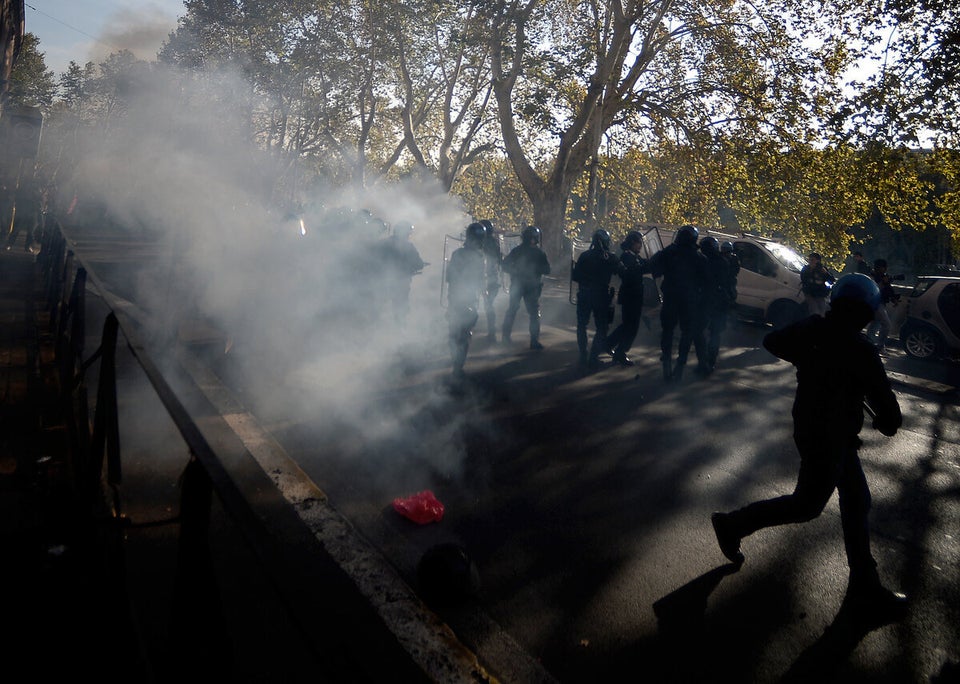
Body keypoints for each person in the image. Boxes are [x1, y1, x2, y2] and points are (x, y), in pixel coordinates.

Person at [711, 273, 907, 621]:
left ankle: (865, 584)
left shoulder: (813, 330)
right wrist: (881, 419)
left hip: (815, 429)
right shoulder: (861, 351)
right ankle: (733, 524)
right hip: (831, 438)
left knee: (857, 500)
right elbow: (890, 418)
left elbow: (773, 341)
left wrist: (808, 355)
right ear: (864, 313)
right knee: (807, 505)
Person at [648, 225, 708, 381]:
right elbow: (706, 282)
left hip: (670, 299)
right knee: (686, 333)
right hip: (689, 302)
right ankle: (679, 366)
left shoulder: (669, 253)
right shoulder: (699, 258)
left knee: (667, 331)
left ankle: (666, 363)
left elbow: (654, 268)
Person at [572, 229, 623, 369]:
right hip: (600, 296)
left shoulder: (584, 256)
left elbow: (575, 276)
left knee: (582, 325)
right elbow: (622, 272)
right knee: (602, 327)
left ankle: (583, 355)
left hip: (584, 294)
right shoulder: (610, 257)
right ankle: (593, 357)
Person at [446, 222, 487, 379]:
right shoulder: (478, 257)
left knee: (454, 332)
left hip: (454, 298)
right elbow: (480, 281)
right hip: (469, 300)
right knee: (464, 334)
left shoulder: (457, 254)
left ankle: (455, 362)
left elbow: (449, 277)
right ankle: (458, 366)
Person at [501, 225, 551, 349]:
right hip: (531, 287)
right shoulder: (539, 252)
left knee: (512, 311)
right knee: (533, 314)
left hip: (520, 285)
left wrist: (516, 271)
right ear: (534, 238)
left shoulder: (517, 250)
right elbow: (547, 270)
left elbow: (504, 265)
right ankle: (534, 342)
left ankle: (505, 338)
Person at [606, 231, 649, 366]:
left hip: (634, 296)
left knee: (628, 326)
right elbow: (631, 273)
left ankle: (609, 344)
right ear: (632, 243)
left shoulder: (634, 256)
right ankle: (620, 352)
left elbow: (645, 265)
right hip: (630, 296)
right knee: (631, 327)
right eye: (639, 243)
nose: (640, 246)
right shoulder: (626, 256)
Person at [697, 236, 734, 374]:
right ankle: (709, 362)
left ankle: (705, 362)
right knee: (714, 334)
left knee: (704, 333)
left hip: (710, 303)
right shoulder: (722, 262)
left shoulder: (704, 261)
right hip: (717, 303)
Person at [380, 220, 425, 324]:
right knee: (400, 308)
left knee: (381, 306)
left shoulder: (383, 243)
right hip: (401, 282)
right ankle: (398, 328)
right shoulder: (408, 247)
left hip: (381, 281)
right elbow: (419, 264)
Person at [867, 258, 901, 352]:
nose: (884, 270)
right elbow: (874, 289)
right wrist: (884, 282)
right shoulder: (872, 277)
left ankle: (869, 343)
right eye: (883, 268)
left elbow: (888, 289)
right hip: (876, 304)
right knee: (886, 325)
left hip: (880, 303)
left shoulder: (883, 276)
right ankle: (880, 346)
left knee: (874, 325)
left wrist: (893, 298)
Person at [480, 219, 502, 341]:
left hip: (486, 278)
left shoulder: (482, 243)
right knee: (489, 304)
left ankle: (492, 331)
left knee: (487, 305)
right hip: (491, 278)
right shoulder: (494, 243)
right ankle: (491, 330)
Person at [800, 252, 834, 317]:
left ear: (818, 261)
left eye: (812, 260)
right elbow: (803, 279)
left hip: (820, 294)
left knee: (822, 311)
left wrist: (825, 273)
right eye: (809, 260)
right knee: (814, 310)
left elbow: (831, 280)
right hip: (810, 293)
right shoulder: (806, 269)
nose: (810, 262)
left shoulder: (822, 269)